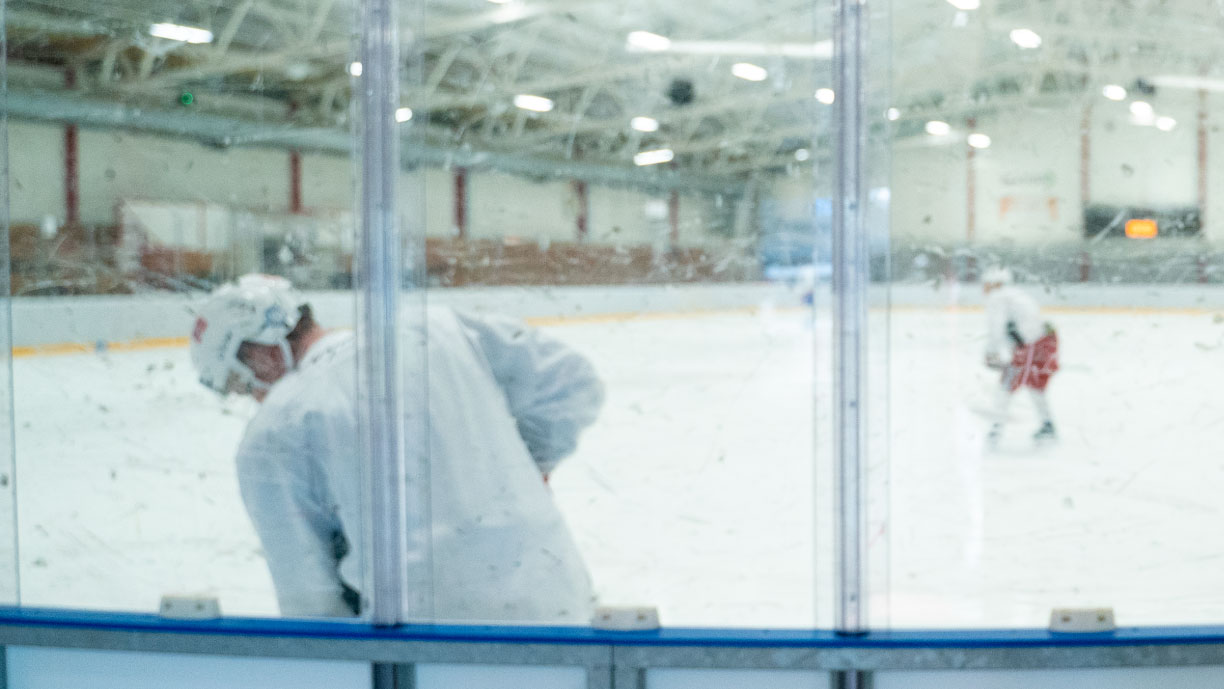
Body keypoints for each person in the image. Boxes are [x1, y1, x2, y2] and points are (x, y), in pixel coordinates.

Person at [189, 274, 604, 621]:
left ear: (261, 352)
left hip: (433, 651)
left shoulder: (275, 429)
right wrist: (531, 465)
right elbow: (571, 382)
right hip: (559, 610)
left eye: (239, 381)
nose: (250, 395)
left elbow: (310, 601)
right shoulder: (436, 328)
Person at [981, 267, 1059, 445]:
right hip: (1042, 344)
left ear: (995, 283)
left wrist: (991, 352)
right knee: (1034, 384)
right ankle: (1047, 423)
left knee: (1006, 385)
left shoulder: (998, 297)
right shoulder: (1017, 294)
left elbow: (997, 328)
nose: (983, 289)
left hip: (1029, 347)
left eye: (986, 284)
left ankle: (995, 429)